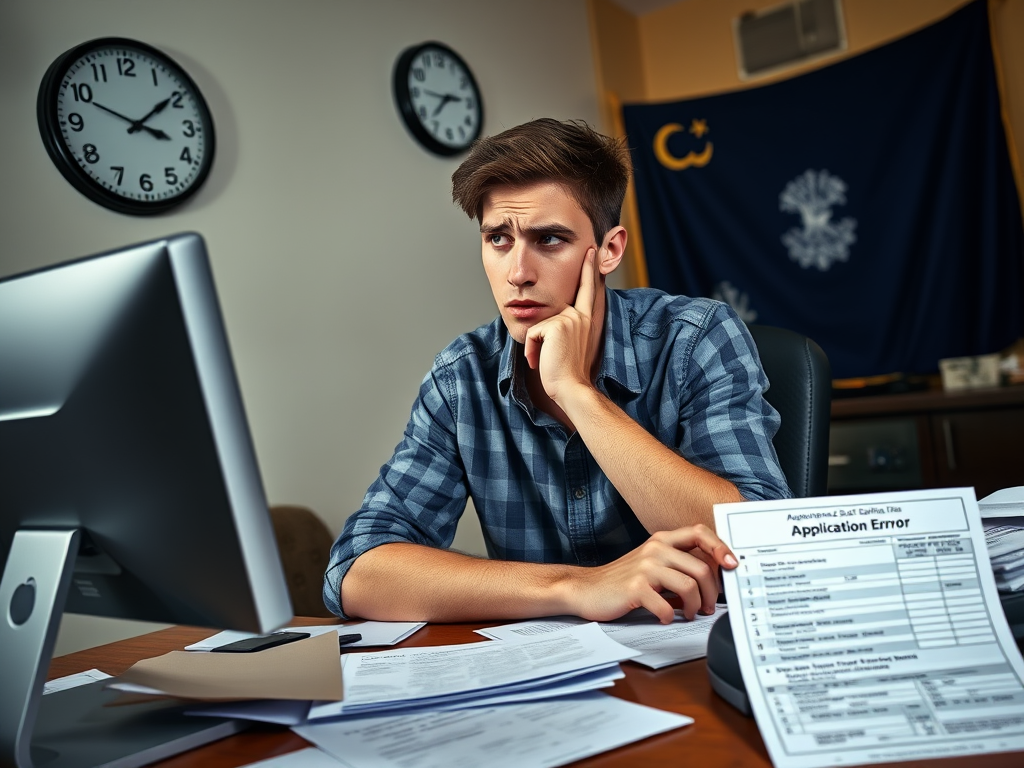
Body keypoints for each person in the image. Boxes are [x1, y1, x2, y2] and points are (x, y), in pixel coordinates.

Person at [324, 118, 790, 626]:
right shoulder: (461, 378)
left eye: (548, 239)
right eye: (498, 238)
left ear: (609, 250)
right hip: (551, 678)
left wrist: (577, 393)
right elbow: (356, 570)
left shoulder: (696, 338)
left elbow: (762, 546)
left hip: (700, 658)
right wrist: (577, 586)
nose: (517, 272)